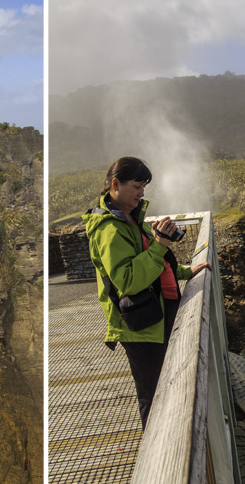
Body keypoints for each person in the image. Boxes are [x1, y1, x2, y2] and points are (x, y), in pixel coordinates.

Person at [83, 156, 211, 423]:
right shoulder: (108, 229)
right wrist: (160, 243)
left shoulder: (129, 218)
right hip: (140, 325)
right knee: (153, 396)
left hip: (156, 314)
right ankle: (157, 461)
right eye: (137, 187)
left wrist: (186, 271)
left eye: (144, 188)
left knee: (169, 387)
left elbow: (154, 263)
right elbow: (128, 280)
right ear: (115, 185)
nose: (141, 194)